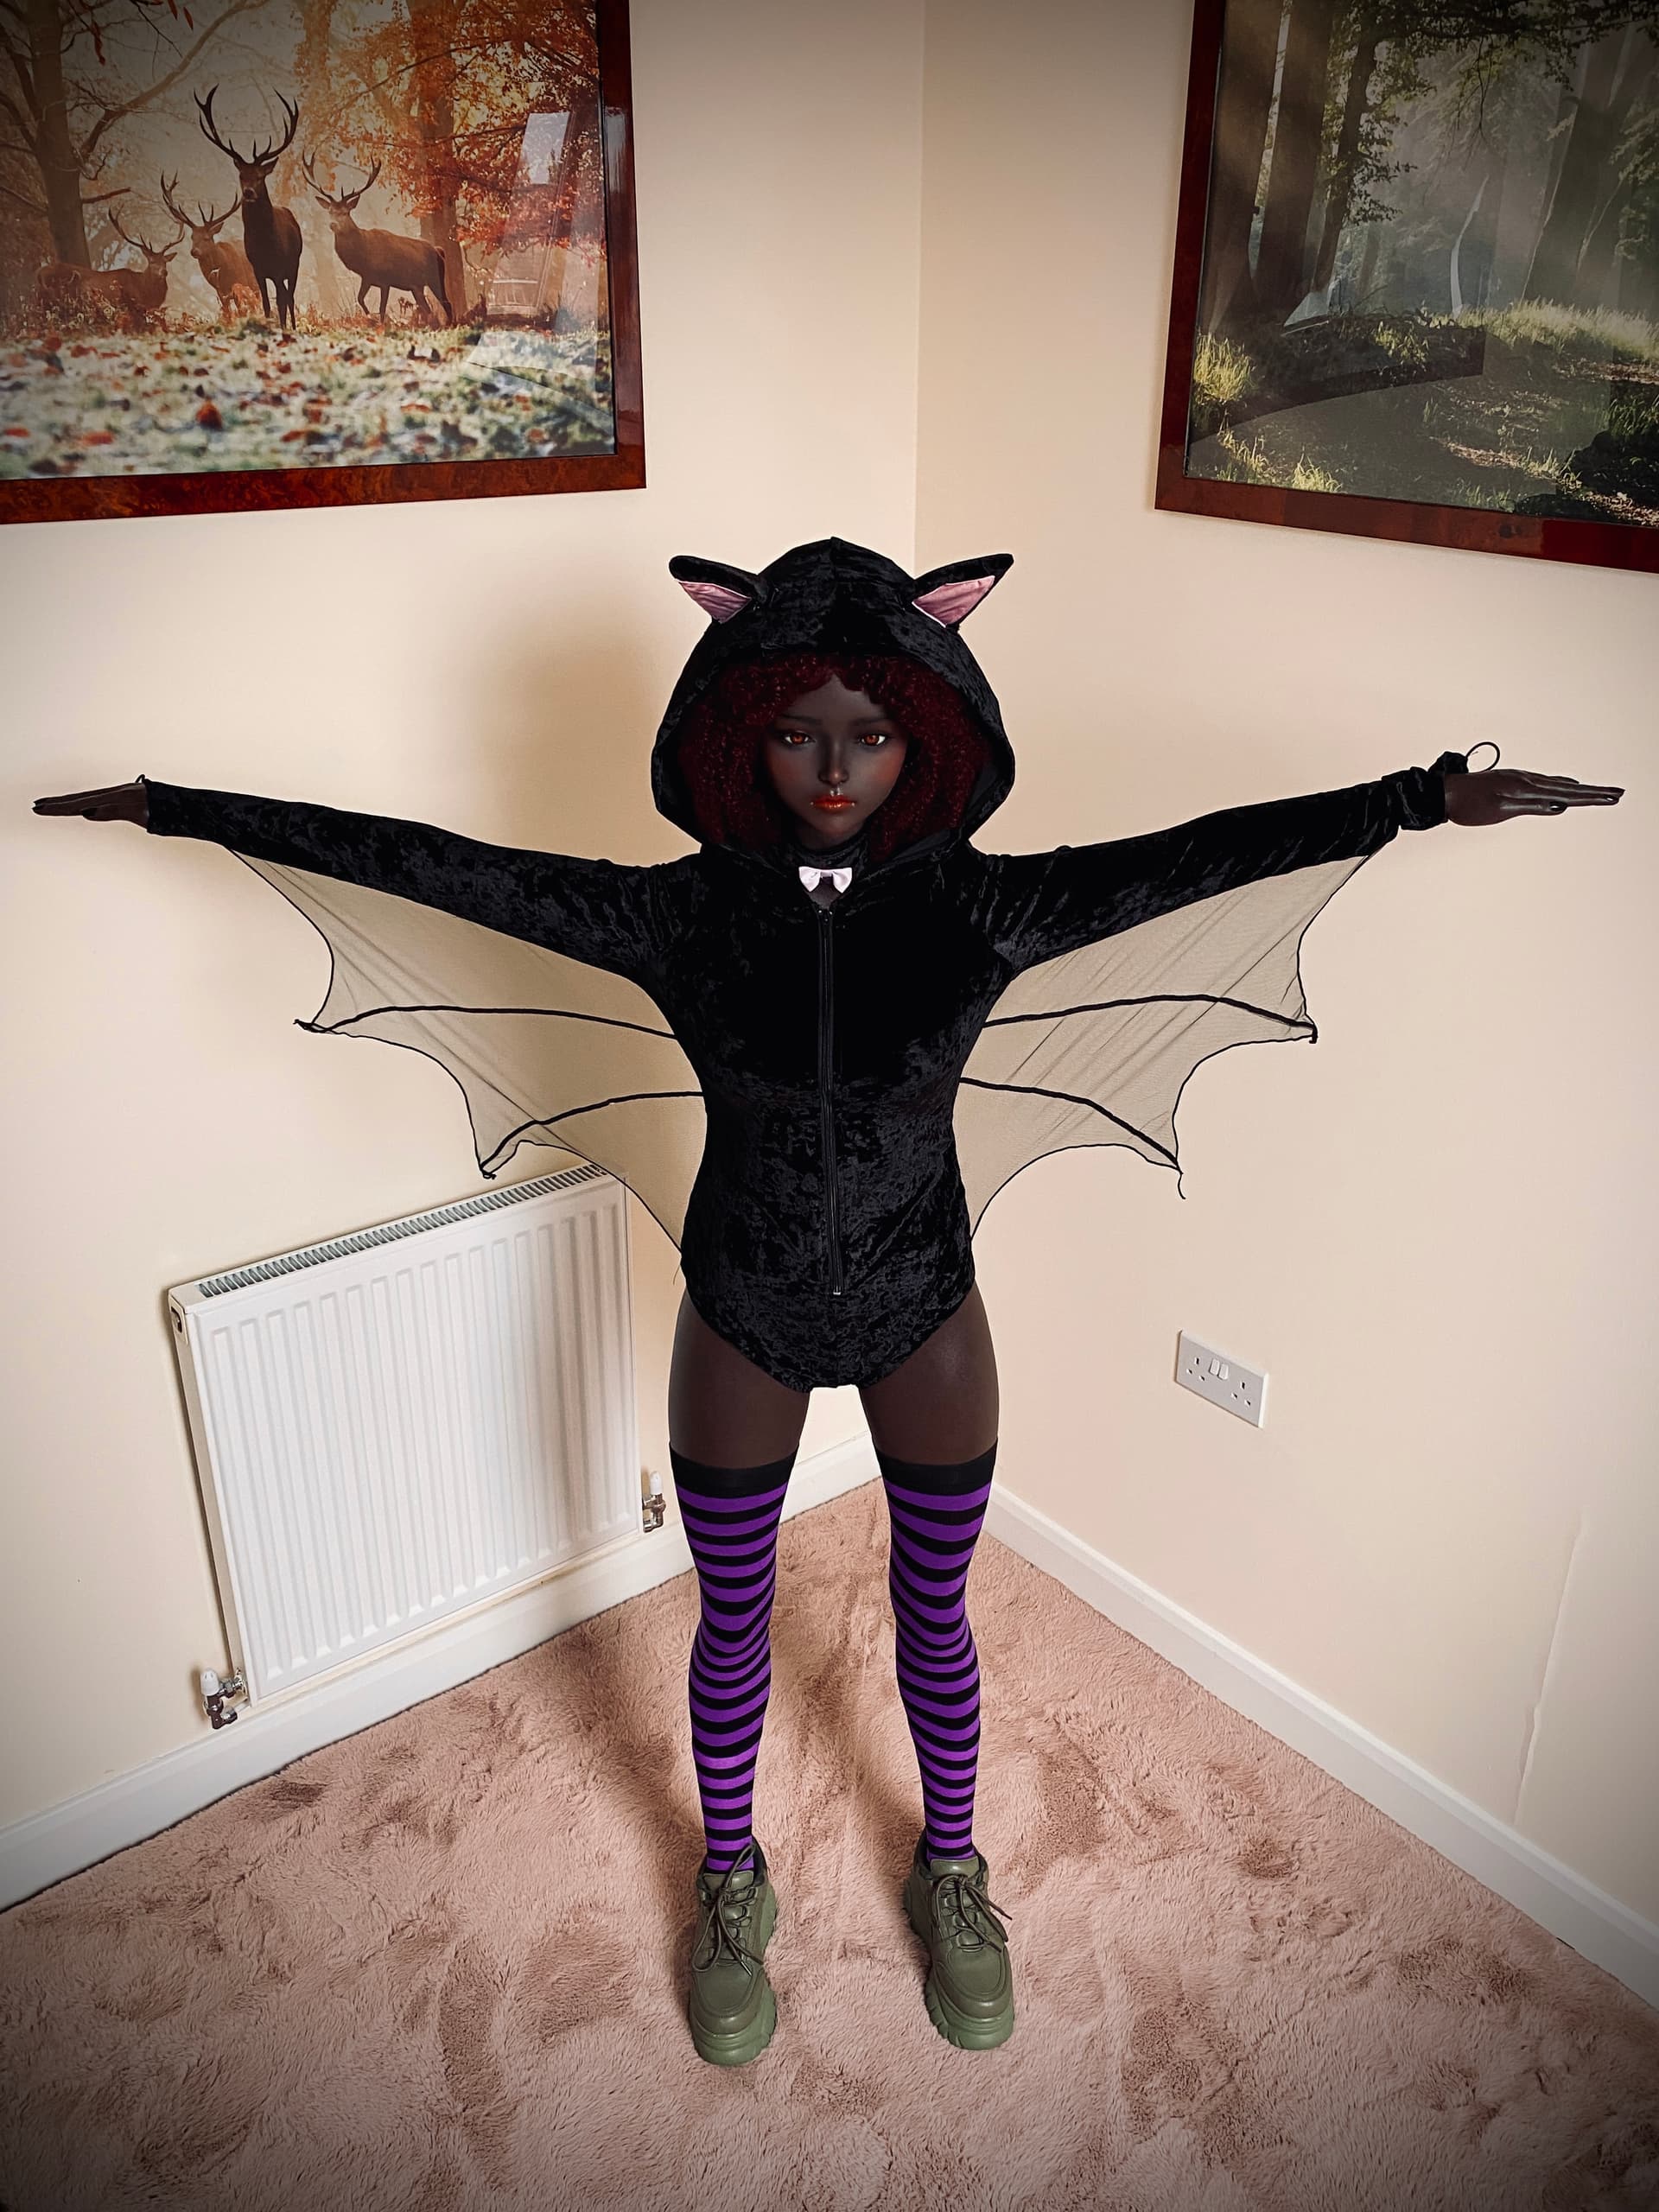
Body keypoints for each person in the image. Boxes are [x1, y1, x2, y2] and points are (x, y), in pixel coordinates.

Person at [35, 536, 1623, 2069]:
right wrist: (183, 809)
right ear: (746, 728)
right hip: (741, 1311)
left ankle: (953, 1866)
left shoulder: (982, 911)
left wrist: (1418, 798)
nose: (836, 766)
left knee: (936, 1610)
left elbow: (1203, 854)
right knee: (733, 1618)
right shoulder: (678, 915)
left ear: (925, 730)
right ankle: (733, 1879)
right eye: (799, 732)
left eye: (870, 732)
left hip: (932, 1316)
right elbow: (430, 863)